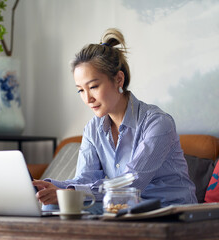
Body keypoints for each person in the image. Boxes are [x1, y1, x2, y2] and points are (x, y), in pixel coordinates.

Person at [33, 28, 197, 214]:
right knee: (55, 203)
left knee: (67, 200)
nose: (87, 98)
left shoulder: (158, 123)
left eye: (93, 86)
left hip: (170, 210)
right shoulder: (92, 129)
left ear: (119, 79)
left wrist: (68, 192)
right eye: (80, 90)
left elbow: (132, 183)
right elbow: (84, 180)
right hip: (124, 207)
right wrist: (46, 186)